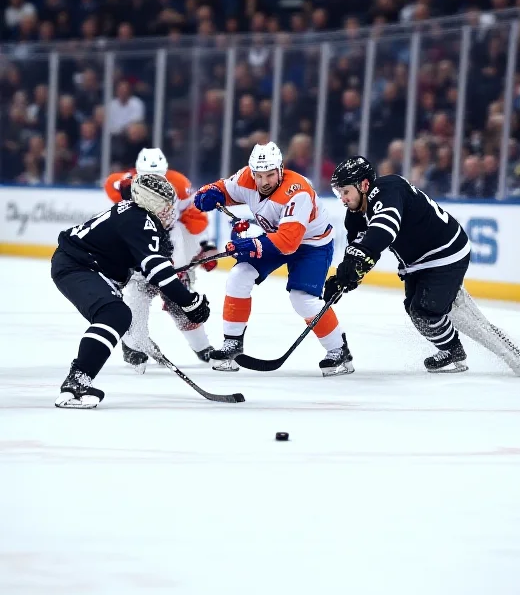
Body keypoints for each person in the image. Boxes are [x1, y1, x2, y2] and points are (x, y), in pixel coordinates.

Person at [326, 156, 520, 376]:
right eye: (338, 193)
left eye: (345, 191)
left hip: (447, 252)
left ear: (364, 185)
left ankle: (512, 357)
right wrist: (343, 278)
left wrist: (356, 263)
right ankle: (452, 351)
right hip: (417, 263)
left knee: (426, 309)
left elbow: (383, 231)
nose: (342, 199)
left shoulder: (389, 189)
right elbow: (359, 252)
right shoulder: (354, 216)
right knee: (417, 311)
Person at [51, 174, 211, 408]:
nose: (170, 212)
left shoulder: (133, 214)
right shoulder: (140, 220)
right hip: (78, 266)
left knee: (117, 316)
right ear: (151, 202)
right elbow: (158, 270)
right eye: (165, 207)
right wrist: (189, 302)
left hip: (82, 266)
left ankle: (82, 377)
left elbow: (148, 264)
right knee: (115, 315)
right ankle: (77, 382)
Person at [193, 141, 353, 376]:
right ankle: (232, 344)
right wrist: (210, 194)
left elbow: (289, 242)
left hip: (312, 245)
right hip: (278, 236)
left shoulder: (297, 191)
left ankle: (339, 351)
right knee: (239, 275)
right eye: (259, 176)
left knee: (302, 299)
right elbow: (223, 189)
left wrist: (250, 244)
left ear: (280, 170)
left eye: (270, 175)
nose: (264, 181)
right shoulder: (247, 177)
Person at [104, 147, 216, 367]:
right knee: (137, 296)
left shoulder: (179, 184)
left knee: (180, 298)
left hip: (170, 244)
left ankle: (202, 347)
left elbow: (193, 215)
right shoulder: (125, 184)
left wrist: (206, 245)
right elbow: (112, 188)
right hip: (138, 244)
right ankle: (133, 344)